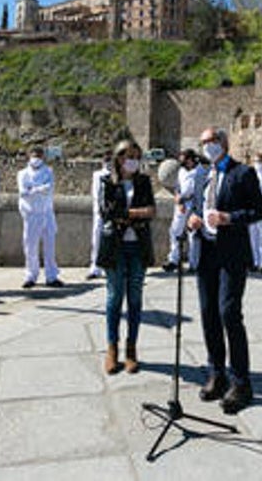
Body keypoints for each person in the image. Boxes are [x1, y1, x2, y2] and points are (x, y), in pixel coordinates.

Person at [186, 127, 262, 415]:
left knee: (229, 313)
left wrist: (228, 217)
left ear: (225, 143)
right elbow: (193, 208)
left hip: (231, 254)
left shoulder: (242, 173)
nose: (208, 145)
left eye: (213, 140)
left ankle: (241, 382)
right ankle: (216, 374)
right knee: (208, 314)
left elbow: (259, 211)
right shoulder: (200, 175)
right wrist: (192, 219)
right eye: (204, 141)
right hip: (205, 252)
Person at [97, 140, 156, 374]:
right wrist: (136, 213)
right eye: (128, 155)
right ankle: (112, 349)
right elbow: (107, 212)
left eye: (136, 155)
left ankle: (131, 350)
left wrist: (126, 214)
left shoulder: (143, 181)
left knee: (135, 298)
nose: (132, 159)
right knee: (114, 297)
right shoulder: (107, 182)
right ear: (118, 158)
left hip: (138, 246)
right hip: (115, 246)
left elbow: (152, 211)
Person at [17, 147, 62, 288]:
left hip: (47, 213)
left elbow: (49, 188)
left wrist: (33, 189)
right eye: (34, 155)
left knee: (50, 246)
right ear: (29, 156)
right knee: (30, 246)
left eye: (39, 155)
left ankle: (51, 276)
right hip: (31, 214)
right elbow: (23, 192)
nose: (36, 158)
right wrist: (39, 189)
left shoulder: (48, 171)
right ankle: (31, 276)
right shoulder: (22, 174)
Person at [162, 149, 207, 273]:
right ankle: (173, 260)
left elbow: (200, 191)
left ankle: (194, 263)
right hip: (181, 204)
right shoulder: (182, 171)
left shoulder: (200, 172)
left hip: (194, 204)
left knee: (193, 234)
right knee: (175, 231)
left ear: (191, 160)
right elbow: (178, 187)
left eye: (185, 160)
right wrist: (177, 197)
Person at [86, 158, 110, 280]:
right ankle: (95, 266)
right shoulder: (97, 175)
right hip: (99, 212)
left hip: (111, 212)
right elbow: (95, 193)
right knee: (96, 239)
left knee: (109, 240)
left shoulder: (116, 175)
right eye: (106, 160)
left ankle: (107, 267)